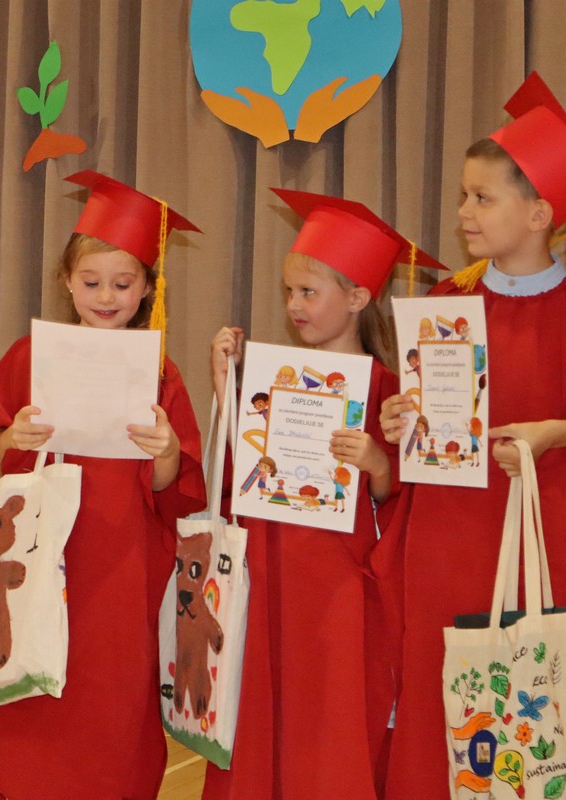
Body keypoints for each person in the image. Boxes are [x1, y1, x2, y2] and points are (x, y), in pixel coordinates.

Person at [376, 71, 566, 799]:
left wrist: (554, 432)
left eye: (481, 197)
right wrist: (398, 417)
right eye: (463, 195)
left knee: (538, 708)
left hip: (551, 539)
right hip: (451, 537)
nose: (463, 212)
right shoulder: (447, 302)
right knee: (449, 700)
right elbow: (424, 415)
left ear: (538, 214)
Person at [0, 170, 206, 799]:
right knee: (30, 697)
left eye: (122, 283)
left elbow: (175, 489)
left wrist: (166, 451)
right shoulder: (32, 356)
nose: (106, 296)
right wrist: (13, 437)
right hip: (40, 555)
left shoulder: (160, 374)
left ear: (147, 287)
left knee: (108, 698)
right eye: (90, 282)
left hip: (119, 565)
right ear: (66, 281)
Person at [204, 190, 444, 800]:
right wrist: (226, 392)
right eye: (290, 291)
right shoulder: (274, 379)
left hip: (342, 589)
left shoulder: (391, 389)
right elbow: (239, 478)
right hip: (270, 578)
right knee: (262, 716)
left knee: (331, 722)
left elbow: (404, 500)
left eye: (308, 292)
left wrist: (377, 464)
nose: (294, 305)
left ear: (358, 299)